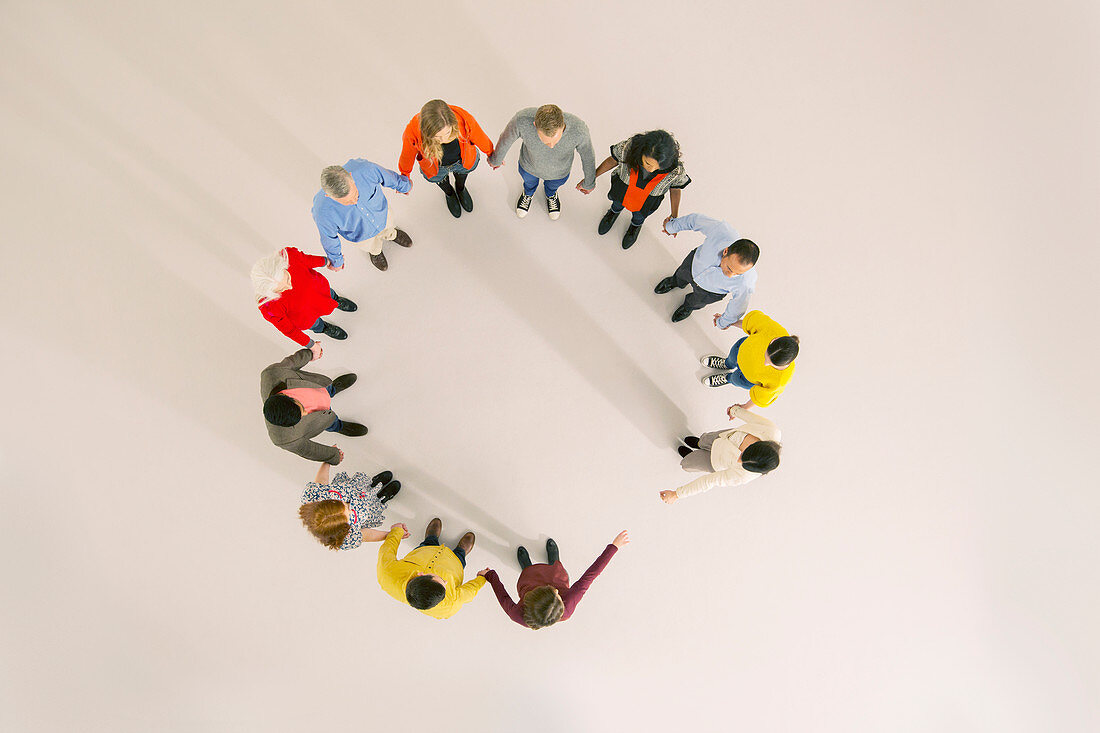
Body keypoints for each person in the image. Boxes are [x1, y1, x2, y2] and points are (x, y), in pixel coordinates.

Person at [483, 531, 629, 630]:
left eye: (554, 593)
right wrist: (613, 547)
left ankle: (528, 566)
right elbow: (590, 576)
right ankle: (553, 559)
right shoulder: (567, 607)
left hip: (529, 582)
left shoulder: (517, 615)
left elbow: (503, 597)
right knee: (555, 568)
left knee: (529, 572)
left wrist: (490, 575)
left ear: (531, 597)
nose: (556, 590)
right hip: (556, 577)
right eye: (557, 595)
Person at [487, 104, 597, 220]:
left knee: (552, 187)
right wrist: (496, 159)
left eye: (555, 140)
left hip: (559, 173)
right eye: (546, 142)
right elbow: (506, 138)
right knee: (529, 184)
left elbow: (588, 156)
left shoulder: (579, 130)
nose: (552, 146)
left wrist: (589, 183)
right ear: (535, 125)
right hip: (529, 167)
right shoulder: (522, 120)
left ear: (562, 124)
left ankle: (551, 195)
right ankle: (528, 193)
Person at [260, 348, 367, 464]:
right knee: (329, 421)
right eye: (302, 416)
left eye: (302, 409)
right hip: (318, 418)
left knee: (326, 389)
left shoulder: (273, 373)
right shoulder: (284, 439)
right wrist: (333, 455)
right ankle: (338, 426)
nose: (306, 413)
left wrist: (311, 353)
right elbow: (309, 450)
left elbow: (294, 361)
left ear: (289, 397)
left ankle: (332, 389)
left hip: (316, 387)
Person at [659, 406, 781, 504]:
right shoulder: (771, 430)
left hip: (714, 461)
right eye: (743, 455)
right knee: (703, 440)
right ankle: (699, 443)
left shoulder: (743, 476)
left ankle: (690, 454)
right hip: (722, 437)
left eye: (743, 464)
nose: (738, 461)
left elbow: (709, 481)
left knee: (688, 463)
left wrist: (677, 494)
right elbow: (751, 418)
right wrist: (735, 411)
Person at [591, 130, 690, 249]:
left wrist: (674, 217)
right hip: (622, 189)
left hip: (647, 200)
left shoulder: (675, 171)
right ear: (642, 151)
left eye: (658, 167)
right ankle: (613, 212)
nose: (651, 169)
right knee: (617, 203)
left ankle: (635, 226)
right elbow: (613, 160)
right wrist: (592, 178)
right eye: (648, 163)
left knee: (639, 216)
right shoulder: (627, 149)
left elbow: (675, 189)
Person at [653, 213, 759, 324]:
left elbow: (738, 306)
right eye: (729, 268)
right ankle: (673, 282)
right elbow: (695, 220)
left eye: (737, 274)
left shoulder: (747, 281)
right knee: (680, 275)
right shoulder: (721, 231)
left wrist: (722, 322)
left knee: (696, 302)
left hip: (710, 292)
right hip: (692, 266)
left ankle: (687, 308)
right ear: (726, 251)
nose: (729, 275)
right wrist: (671, 227)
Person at [311, 159, 413, 273]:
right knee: (371, 245)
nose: (355, 201)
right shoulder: (322, 212)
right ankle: (375, 252)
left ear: (350, 176)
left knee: (389, 227)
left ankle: (392, 234)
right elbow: (329, 239)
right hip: (362, 236)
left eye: (355, 194)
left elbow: (388, 177)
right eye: (347, 202)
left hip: (383, 216)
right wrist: (337, 261)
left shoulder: (365, 169)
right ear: (329, 196)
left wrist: (404, 186)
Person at [399, 99, 494, 219]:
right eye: (437, 137)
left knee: (462, 176)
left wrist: (492, 154)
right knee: (440, 181)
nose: (444, 139)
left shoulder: (463, 118)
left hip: (462, 161)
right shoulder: (412, 131)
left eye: (448, 132)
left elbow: (479, 135)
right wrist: (404, 175)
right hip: (435, 168)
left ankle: (461, 189)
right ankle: (449, 194)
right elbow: (407, 154)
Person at [376, 517, 486, 619]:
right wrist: (482, 577)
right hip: (453, 563)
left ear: (421, 574)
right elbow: (469, 592)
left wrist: (396, 531)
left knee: (428, 543)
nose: (446, 581)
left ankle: (431, 539)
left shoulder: (388, 574)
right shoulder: (449, 606)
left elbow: (387, 549)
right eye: (444, 583)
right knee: (459, 556)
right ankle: (461, 551)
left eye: (441, 579)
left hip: (424, 552)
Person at [252, 247, 355, 347]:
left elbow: (308, 260)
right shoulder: (267, 306)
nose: (290, 286)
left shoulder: (290, 257)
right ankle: (324, 328)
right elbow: (289, 330)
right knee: (316, 324)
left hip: (321, 292)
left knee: (330, 295)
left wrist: (327, 261)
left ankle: (336, 300)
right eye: (281, 289)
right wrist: (311, 345)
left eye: (288, 278)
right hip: (305, 318)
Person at [699, 311, 799, 406]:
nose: (765, 363)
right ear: (774, 340)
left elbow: (762, 397)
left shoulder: (781, 380)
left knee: (735, 379)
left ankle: (727, 378)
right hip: (740, 352)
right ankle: (727, 364)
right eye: (766, 356)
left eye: (771, 364)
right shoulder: (772, 329)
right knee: (731, 359)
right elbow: (750, 323)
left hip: (747, 378)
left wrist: (744, 407)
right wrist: (729, 323)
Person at [299, 463, 402, 550]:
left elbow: (322, 482)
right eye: (349, 511)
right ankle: (380, 498)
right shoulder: (346, 538)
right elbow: (367, 535)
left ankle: (372, 484)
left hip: (355, 490)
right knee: (374, 505)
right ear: (344, 528)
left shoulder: (312, 496)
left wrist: (327, 462)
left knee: (363, 486)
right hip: (367, 509)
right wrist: (390, 534)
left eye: (344, 504)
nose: (350, 504)